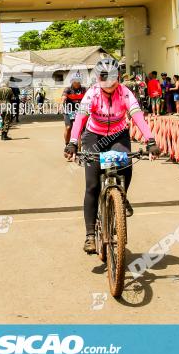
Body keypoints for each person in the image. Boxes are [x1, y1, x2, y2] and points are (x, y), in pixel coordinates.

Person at [63, 58, 159, 254]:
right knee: (92, 185)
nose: (109, 82)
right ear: (98, 78)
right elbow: (80, 119)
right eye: (104, 78)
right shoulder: (92, 94)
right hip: (93, 136)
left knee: (126, 163)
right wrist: (73, 142)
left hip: (118, 134)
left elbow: (137, 116)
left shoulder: (125, 93)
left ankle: (121, 198)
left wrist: (150, 140)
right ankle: (90, 235)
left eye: (113, 77)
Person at [61, 73, 86, 144]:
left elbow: (90, 98)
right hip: (68, 110)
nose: (77, 83)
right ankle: (67, 144)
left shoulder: (84, 89)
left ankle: (84, 145)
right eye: (75, 81)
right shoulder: (68, 89)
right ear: (72, 81)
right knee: (68, 127)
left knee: (84, 128)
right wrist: (61, 104)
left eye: (78, 81)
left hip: (80, 110)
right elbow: (63, 97)